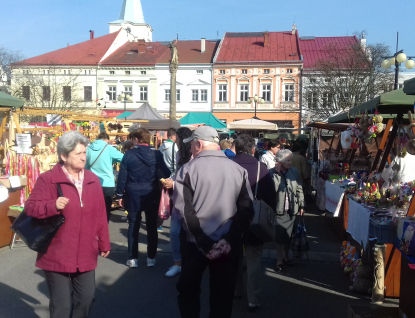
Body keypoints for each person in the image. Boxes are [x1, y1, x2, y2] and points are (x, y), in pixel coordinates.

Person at [24, 131, 110, 318]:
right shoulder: (48, 179)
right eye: (78, 153)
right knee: (62, 306)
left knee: (86, 299)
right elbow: (30, 208)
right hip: (57, 252)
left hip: (86, 251)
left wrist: (104, 242)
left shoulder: (92, 179)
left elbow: (100, 214)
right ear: (64, 156)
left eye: (84, 153)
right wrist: (52, 205)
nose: (83, 157)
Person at [174, 126, 254, 318]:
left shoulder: (187, 170)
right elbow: (247, 210)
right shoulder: (238, 170)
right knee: (222, 298)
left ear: (198, 144)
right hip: (227, 245)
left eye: (192, 145)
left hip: (195, 245)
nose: (191, 149)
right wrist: (228, 240)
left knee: (188, 292)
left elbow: (184, 212)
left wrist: (205, 243)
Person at [232, 134, 276, 313]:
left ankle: (236, 291)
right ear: (252, 149)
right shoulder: (262, 169)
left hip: (232, 219)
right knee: (254, 260)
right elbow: (271, 198)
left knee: (234, 258)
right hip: (255, 219)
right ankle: (253, 299)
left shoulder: (228, 165)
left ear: (235, 147)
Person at [116, 128, 170, 268]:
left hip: (133, 193)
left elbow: (122, 176)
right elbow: (167, 171)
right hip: (151, 193)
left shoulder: (129, 154)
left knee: (133, 225)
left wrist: (120, 194)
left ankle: (133, 258)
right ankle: (151, 257)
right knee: (152, 226)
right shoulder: (157, 154)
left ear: (136, 139)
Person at [162, 127, 193, 278]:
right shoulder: (179, 154)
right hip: (178, 199)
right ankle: (177, 263)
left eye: (178, 139)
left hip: (192, 202)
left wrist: (174, 184)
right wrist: (172, 180)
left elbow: (194, 183)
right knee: (174, 232)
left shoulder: (195, 157)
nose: (176, 141)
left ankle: (190, 263)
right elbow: (179, 175)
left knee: (190, 234)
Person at [272, 149, 305, 272]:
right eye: (288, 160)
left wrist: (302, 205)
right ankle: (279, 260)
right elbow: (273, 189)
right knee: (280, 236)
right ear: (279, 162)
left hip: (292, 209)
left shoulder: (294, 172)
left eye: (290, 160)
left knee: (289, 236)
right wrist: (277, 173)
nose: (290, 162)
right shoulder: (271, 173)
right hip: (279, 210)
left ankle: (286, 256)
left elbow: (299, 189)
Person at [85, 132, 123, 222]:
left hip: (92, 182)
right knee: (105, 209)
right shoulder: (109, 148)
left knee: (93, 208)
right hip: (107, 182)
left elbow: (85, 166)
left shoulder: (88, 149)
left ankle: (93, 230)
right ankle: (103, 230)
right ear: (107, 140)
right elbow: (123, 158)